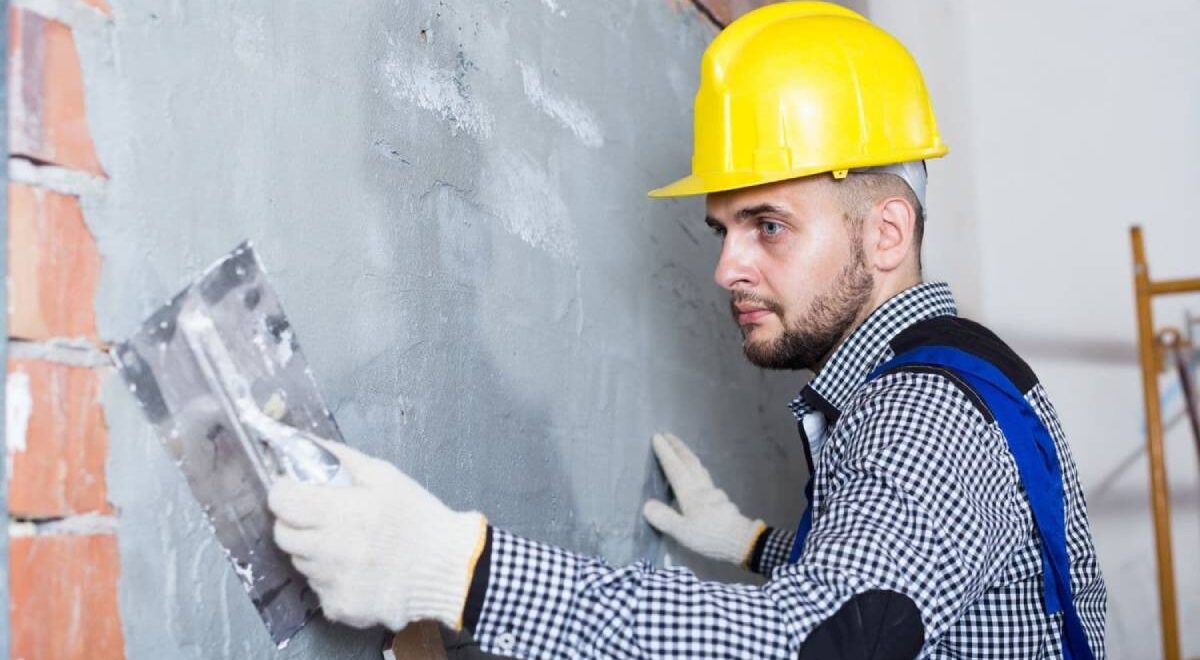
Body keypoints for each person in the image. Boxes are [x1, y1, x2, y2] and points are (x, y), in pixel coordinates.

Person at [267, 3, 1107, 657]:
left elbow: (814, 644)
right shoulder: (952, 375)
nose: (727, 268)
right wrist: (752, 545)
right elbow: (898, 596)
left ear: (886, 233)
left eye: (769, 225)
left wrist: (461, 570)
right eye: (724, 230)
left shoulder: (921, 414)